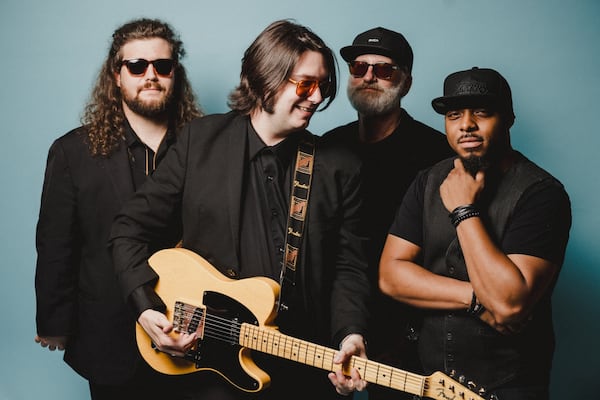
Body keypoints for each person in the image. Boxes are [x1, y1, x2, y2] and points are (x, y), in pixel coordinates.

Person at [109, 20, 370, 400]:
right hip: (213, 368)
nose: (316, 98)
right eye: (305, 84)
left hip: (304, 366)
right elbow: (128, 230)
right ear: (266, 80)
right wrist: (146, 308)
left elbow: (349, 267)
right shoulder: (200, 141)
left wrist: (350, 334)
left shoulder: (339, 166)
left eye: (323, 86)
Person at [34, 18, 202, 400]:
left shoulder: (205, 147)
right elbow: (56, 243)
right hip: (108, 331)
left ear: (175, 74)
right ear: (116, 75)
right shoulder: (72, 152)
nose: (151, 75)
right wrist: (54, 321)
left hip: (190, 330)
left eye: (162, 65)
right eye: (137, 66)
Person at [379, 67, 571, 400]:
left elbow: (509, 304)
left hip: (507, 387)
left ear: (508, 119)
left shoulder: (542, 194)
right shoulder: (428, 181)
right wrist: (476, 300)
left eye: (481, 112)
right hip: (431, 382)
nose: (466, 124)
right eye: (454, 115)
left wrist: (464, 210)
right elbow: (391, 276)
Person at [323, 27, 452, 399]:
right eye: (359, 67)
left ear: (405, 83)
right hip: (337, 318)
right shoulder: (328, 148)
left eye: (383, 70)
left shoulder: (437, 156)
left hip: (409, 331)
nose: (369, 77)